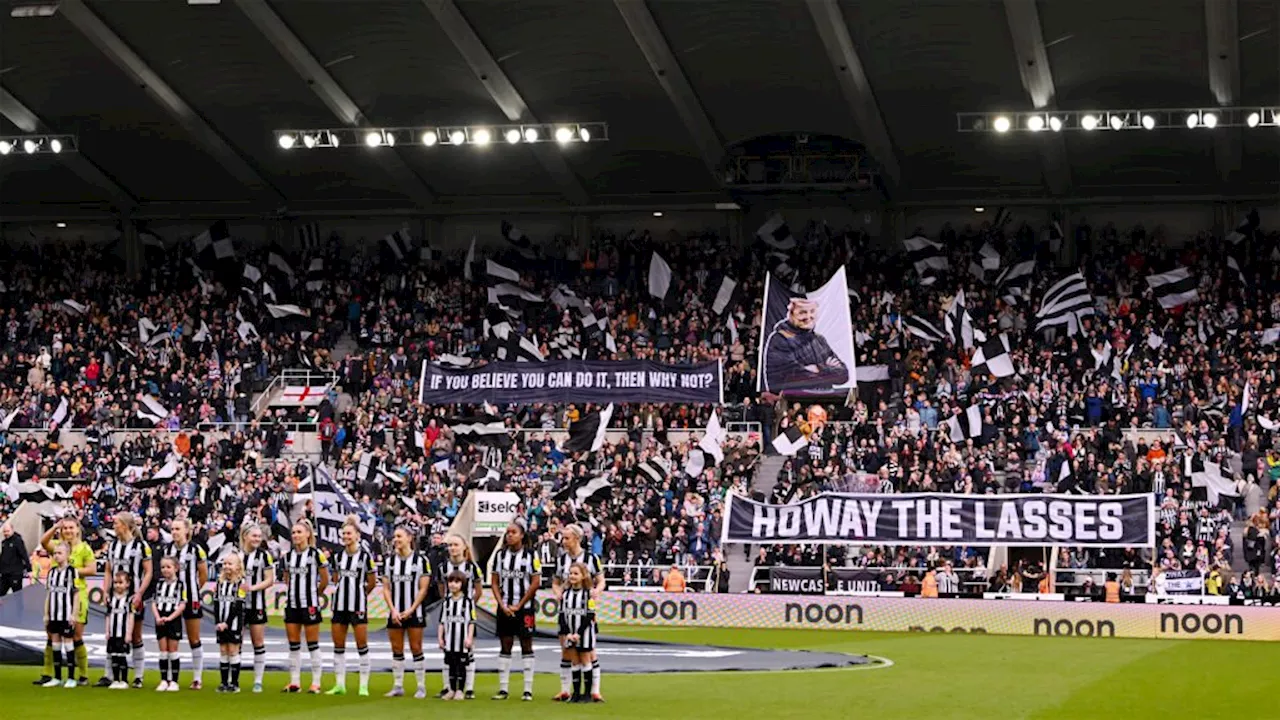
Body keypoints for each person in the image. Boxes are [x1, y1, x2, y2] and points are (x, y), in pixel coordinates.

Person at [37, 517, 94, 687]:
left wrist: (70, 572)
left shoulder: (84, 548)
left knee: (75, 635)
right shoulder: (58, 545)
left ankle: (82, 674)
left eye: (71, 527)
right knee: (51, 634)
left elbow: (92, 569)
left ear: (77, 529)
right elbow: (43, 541)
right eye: (65, 528)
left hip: (77, 595)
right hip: (57, 596)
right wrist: (55, 526)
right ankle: (48, 673)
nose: (68, 531)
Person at [551, 524, 604, 703]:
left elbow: (601, 580)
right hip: (567, 611)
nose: (563, 541)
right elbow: (555, 582)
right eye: (563, 538)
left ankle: (594, 691)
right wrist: (557, 592)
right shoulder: (561, 560)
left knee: (589, 651)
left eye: (567, 538)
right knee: (566, 649)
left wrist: (597, 592)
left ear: (577, 538)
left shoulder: (591, 558)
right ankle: (566, 690)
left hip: (585, 611)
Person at [488, 520, 540, 701]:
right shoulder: (500, 555)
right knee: (505, 645)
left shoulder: (531, 555)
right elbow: (494, 581)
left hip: (524, 609)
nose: (509, 535)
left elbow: (535, 583)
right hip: (505, 608)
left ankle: (527, 689)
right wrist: (502, 604)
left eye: (513, 532)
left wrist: (519, 604)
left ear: (522, 535)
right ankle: (503, 689)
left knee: (526, 645)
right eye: (508, 532)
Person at [327, 515, 376, 697]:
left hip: (357, 606)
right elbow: (335, 579)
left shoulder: (365, 557)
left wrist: (361, 596)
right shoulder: (338, 556)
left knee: (361, 645)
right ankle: (340, 684)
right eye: (344, 534)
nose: (346, 536)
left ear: (357, 535)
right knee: (338, 646)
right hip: (339, 606)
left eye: (349, 533)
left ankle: (363, 685)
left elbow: (371, 582)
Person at [102, 512, 152, 688]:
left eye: (116, 523)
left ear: (125, 525)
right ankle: (109, 675)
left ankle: (138, 676)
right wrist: (105, 591)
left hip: (132, 597)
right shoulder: (112, 546)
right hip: (116, 597)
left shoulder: (141, 546)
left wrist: (139, 593)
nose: (114, 526)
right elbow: (108, 570)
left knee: (135, 635)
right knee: (113, 634)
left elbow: (148, 571)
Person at [381, 525, 431, 699]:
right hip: (395, 612)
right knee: (396, 648)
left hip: (414, 612)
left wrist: (411, 609)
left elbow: (423, 589)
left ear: (410, 538)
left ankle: (421, 686)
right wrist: (393, 610)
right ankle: (398, 685)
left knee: (416, 647)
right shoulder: (389, 562)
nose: (396, 540)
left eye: (399, 536)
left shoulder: (421, 561)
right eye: (395, 536)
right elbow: (386, 588)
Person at [762, 297, 849, 393]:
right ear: (791, 314)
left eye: (812, 311)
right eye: (802, 312)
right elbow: (793, 377)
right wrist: (828, 370)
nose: (809, 316)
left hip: (826, 398)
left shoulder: (819, 340)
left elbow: (843, 375)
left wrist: (818, 368)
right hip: (794, 400)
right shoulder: (779, 339)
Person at [281, 519, 329, 693]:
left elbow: (325, 579)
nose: (295, 535)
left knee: (312, 644)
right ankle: (294, 682)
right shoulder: (287, 557)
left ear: (308, 534)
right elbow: (287, 578)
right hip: (292, 605)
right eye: (293, 532)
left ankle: (316, 683)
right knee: (293, 645)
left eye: (299, 532)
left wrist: (316, 594)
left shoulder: (316, 555)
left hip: (310, 604)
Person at [434, 533, 483, 699]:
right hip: (450, 615)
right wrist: (450, 602)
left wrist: (468, 605)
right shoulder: (442, 568)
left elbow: (479, 590)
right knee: (448, 652)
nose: (452, 548)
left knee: (468, 652)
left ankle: (468, 688)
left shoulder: (471, 567)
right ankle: (448, 687)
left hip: (465, 616)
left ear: (464, 547)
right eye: (450, 545)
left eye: (456, 545)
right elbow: (441, 588)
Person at [165, 518, 209, 690]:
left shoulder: (196, 550)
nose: (174, 532)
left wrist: (194, 590)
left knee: (194, 638)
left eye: (177, 528)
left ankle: (197, 677)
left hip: (191, 598)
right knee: (171, 637)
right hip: (171, 600)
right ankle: (169, 676)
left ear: (186, 531)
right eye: (172, 529)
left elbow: (203, 574)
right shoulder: (167, 549)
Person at [238, 523, 275, 693]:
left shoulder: (264, 556)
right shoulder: (235, 555)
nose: (257, 539)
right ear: (245, 536)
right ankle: (233, 679)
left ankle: (258, 681)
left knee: (257, 642)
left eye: (259, 537)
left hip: (257, 604)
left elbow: (270, 580)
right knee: (235, 642)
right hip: (237, 605)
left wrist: (252, 588)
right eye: (254, 536)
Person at [559, 563, 598, 704]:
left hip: (585, 633)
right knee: (574, 662)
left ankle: (587, 694)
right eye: (570, 573)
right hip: (570, 634)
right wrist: (567, 633)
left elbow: (590, 615)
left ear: (583, 576)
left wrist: (579, 633)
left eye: (576, 574)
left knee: (586, 660)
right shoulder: (566, 594)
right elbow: (562, 615)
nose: (572, 576)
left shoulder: (588, 594)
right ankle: (575, 693)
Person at [42, 542, 79, 689]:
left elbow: (76, 594)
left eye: (60, 553)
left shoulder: (72, 572)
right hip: (54, 615)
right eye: (55, 553)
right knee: (55, 644)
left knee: (68, 644)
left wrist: (74, 614)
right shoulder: (51, 573)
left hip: (66, 615)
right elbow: (49, 595)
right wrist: (46, 614)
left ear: (67, 555)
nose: (57, 556)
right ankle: (57, 677)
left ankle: (71, 677)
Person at [438, 571, 476, 701]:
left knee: (461, 666)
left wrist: (469, 638)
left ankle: (460, 690)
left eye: (456, 582)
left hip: (462, 641)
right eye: (450, 582)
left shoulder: (468, 602)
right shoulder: (446, 602)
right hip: (450, 641)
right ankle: (452, 689)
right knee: (451, 666)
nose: (453, 585)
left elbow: (471, 622)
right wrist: (440, 638)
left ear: (463, 584)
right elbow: (442, 622)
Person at [152, 555, 187, 692]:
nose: (165, 570)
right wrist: (157, 617)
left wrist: (171, 617)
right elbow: (154, 603)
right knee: (163, 651)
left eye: (168, 567)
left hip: (173, 620)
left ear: (176, 568)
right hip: (160, 620)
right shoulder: (159, 584)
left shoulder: (180, 585)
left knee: (173, 651)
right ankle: (163, 680)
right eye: (163, 567)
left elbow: (182, 604)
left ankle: (174, 681)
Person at [212, 552, 246, 693]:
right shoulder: (219, 584)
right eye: (225, 564)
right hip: (221, 623)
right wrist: (218, 622)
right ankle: (224, 682)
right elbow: (216, 605)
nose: (226, 566)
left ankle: (235, 683)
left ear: (238, 567)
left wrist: (227, 622)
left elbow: (238, 607)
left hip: (233, 624)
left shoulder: (241, 584)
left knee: (233, 650)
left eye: (230, 564)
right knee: (223, 650)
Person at [105, 571, 135, 690]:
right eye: (116, 583)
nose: (118, 585)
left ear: (127, 584)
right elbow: (107, 615)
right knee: (114, 656)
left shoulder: (129, 600)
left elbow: (131, 616)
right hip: (113, 633)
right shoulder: (110, 598)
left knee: (122, 657)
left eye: (121, 582)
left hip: (123, 633)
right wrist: (107, 631)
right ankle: (116, 679)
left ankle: (124, 680)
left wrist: (129, 633)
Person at [1, 521, 30, 596]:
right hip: (5, 574)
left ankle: (19, 608)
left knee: (17, 595)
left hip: (15, 574)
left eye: (7, 531)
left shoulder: (18, 541)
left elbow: (24, 555)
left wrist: (29, 569)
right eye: (4, 532)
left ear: (12, 530)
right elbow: (3, 557)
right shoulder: (4, 543)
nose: (6, 533)